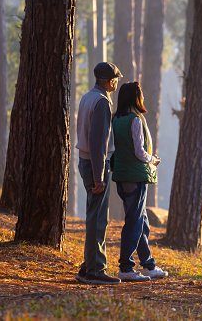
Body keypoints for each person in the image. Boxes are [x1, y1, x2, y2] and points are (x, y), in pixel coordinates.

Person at [111, 82, 168, 282]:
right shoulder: (135, 120)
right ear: (136, 97)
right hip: (135, 176)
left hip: (121, 175)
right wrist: (154, 160)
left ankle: (148, 265)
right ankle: (125, 267)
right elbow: (139, 152)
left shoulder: (115, 118)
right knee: (134, 222)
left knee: (140, 220)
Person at [75, 62, 122, 285]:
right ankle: (95, 270)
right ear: (109, 81)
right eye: (116, 79)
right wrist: (98, 176)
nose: (117, 82)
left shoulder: (88, 97)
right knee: (98, 219)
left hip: (85, 161)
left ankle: (88, 266)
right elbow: (97, 142)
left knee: (93, 215)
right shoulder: (102, 102)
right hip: (97, 165)